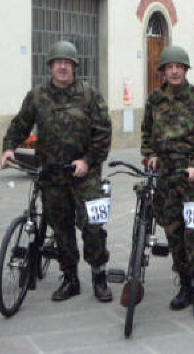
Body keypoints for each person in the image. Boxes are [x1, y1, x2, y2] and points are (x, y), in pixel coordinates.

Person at [1, 40, 113, 302]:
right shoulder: (37, 96)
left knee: (93, 228)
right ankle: (70, 278)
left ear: (75, 67)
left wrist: (88, 161)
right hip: (52, 175)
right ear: (50, 66)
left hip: (85, 174)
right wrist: (8, 148)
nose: (63, 67)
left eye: (68, 63)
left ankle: (99, 275)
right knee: (61, 229)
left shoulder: (89, 95)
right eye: (58, 62)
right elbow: (20, 124)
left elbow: (103, 133)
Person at [140, 45, 194, 319]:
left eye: (179, 67)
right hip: (166, 176)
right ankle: (184, 284)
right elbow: (147, 134)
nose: (174, 71)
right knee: (174, 233)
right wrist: (149, 155)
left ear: (186, 70)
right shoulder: (155, 100)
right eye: (169, 67)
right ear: (162, 71)